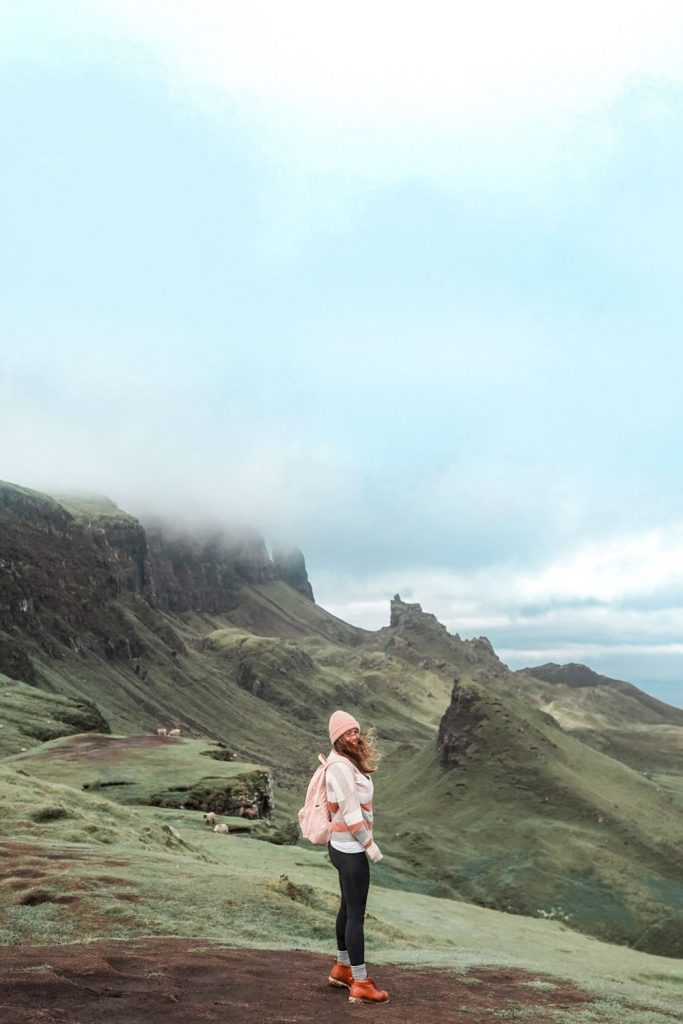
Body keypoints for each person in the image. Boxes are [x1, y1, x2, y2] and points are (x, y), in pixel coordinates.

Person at [325, 709, 389, 1005]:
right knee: (356, 915)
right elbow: (351, 813)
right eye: (348, 733)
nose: (355, 736)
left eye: (356, 731)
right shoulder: (340, 767)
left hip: (341, 846)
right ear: (337, 738)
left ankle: (341, 969)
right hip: (350, 849)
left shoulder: (344, 762)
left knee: (347, 907)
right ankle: (361, 982)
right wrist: (370, 846)